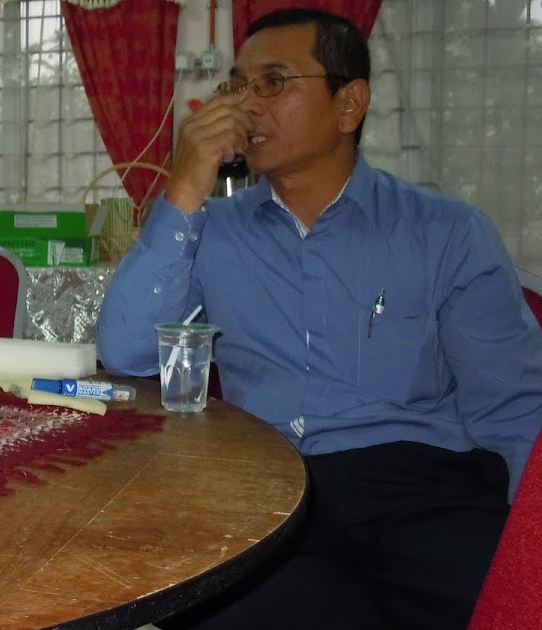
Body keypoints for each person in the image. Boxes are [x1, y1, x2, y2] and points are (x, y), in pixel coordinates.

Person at [96, 8, 542, 630]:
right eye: (238, 85)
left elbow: (513, 406)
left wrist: (529, 547)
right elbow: (126, 353)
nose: (247, 105)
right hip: (269, 495)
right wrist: (185, 189)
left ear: (348, 104)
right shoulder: (210, 231)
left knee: (501, 608)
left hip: (421, 490)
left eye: (273, 82)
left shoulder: (445, 232)